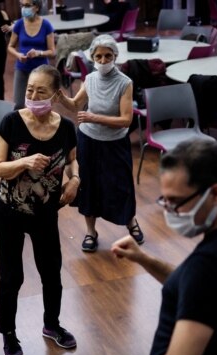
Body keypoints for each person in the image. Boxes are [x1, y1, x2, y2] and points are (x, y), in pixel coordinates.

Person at [111, 139, 217, 355]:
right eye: (165, 200)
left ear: (216, 193)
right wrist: (144, 258)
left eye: (176, 201)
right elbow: (198, 290)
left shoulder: (210, 265)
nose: (169, 211)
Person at [0, 65, 79, 355]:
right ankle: (8, 333)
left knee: (51, 272)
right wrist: (25, 162)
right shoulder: (11, 122)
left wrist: (75, 180)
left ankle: (51, 325)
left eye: (40, 91)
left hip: (45, 213)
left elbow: (71, 161)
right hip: (9, 212)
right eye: (29, 89)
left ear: (55, 95)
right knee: (11, 277)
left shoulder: (66, 127)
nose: (32, 95)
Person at [59, 34, 143, 253]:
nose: (103, 60)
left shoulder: (125, 83)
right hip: (88, 140)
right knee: (88, 185)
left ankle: (131, 222)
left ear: (115, 56)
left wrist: (94, 117)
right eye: (99, 56)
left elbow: (126, 120)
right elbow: (76, 104)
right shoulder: (90, 79)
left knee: (121, 184)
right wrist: (59, 96)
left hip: (115, 143)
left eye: (108, 56)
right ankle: (90, 232)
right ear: (92, 57)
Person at [7, 0, 56, 109]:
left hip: (42, 72)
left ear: (37, 7)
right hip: (22, 69)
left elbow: (52, 52)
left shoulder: (46, 25)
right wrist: (18, 55)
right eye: (22, 5)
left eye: (28, 5)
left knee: (40, 105)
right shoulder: (19, 24)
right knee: (18, 105)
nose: (24, 8)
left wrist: (39, 53)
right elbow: (10, 46)